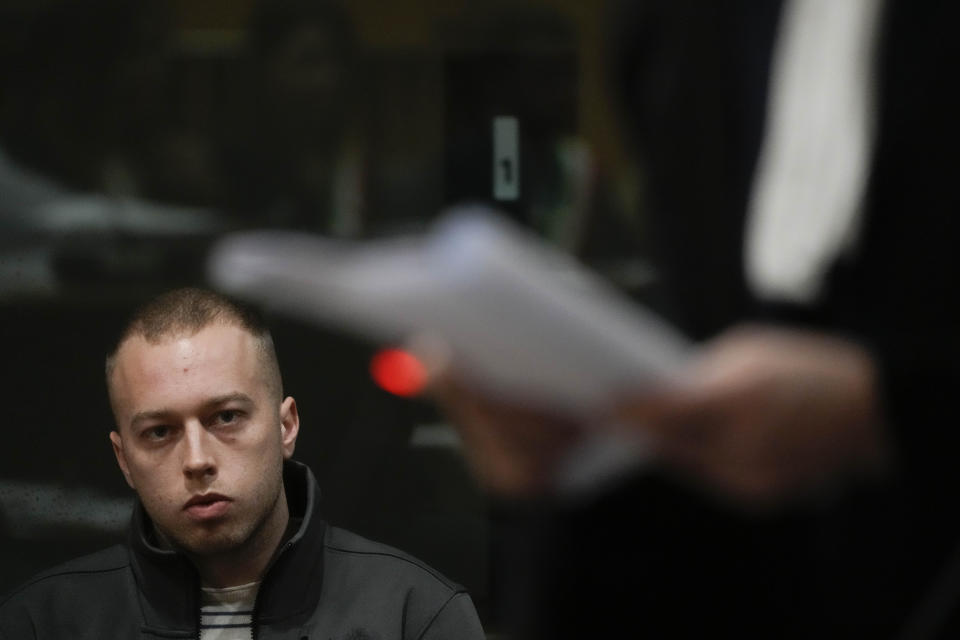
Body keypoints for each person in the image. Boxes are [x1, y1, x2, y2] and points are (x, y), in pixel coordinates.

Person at [432, 0, 960, 638]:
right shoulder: (681, 38)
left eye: (558, 72)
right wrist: (572, 451)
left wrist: (886, 411)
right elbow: (703, 310)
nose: (558, 89)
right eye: (537, 74)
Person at [0, 287, 485, 639]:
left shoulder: (413, 614)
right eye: (160, 432)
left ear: (286, 426)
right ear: (123, 459)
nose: (196, 460)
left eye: (226, 417)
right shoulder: (42, 622)